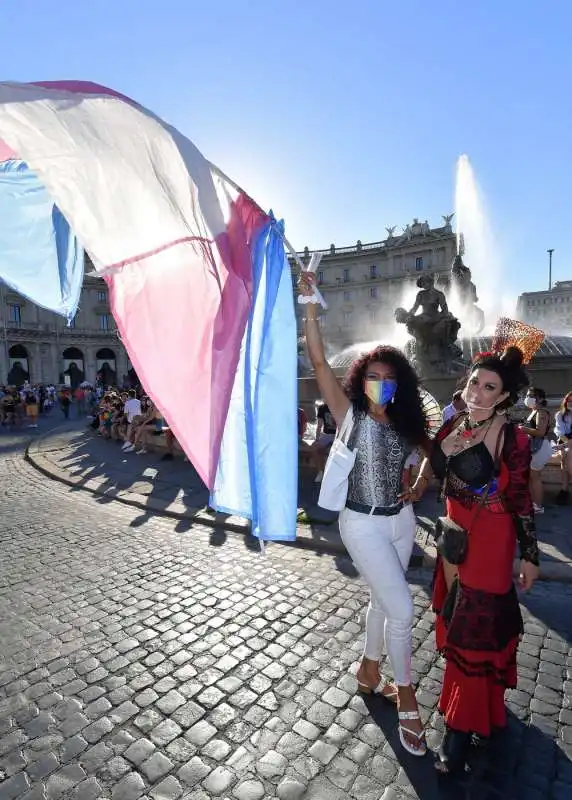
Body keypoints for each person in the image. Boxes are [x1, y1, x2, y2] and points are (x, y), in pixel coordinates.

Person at [299, 271, 430, 757]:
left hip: (400, 521)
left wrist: (417, 483)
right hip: (361, 522)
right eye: (373, 377)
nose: (381, 384)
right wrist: (310, 304)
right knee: (403, 608)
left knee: (382, 599)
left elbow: (424, 456)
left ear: (400, 384)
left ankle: (370, 669)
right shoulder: (348, 414)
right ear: (361, 381)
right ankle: (408, 698)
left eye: (389, 378)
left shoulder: (405, 420)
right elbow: (317, 359)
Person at [411, 346, 540, 774]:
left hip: (490, 542)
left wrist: (531, 556)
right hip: (453, 539)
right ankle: (482, 712)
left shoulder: (513, 438)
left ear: (504, 397)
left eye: (491, 388)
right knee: (455, 618)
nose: (479, 394)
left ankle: (457, 729)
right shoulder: (454, 422)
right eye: (474, 384)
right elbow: (438, 466)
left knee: (474, 633)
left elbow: (520, 499)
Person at [519, 386, 552, 513]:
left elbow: (540, 432)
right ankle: (534, 503)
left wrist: (523, 429)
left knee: (535, 477)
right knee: (532, 478)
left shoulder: (541, 412)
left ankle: (538, 506)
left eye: (532, 396)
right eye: (528, 395)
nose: (528, 398)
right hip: (535, 447)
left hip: (540, 447)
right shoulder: (534, 411)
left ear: (540, 399)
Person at [554, 391, 572, 505]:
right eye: (569, 400)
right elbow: (560, 432)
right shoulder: (560, 415)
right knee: (566, 453)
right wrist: (567, 443)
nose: (570, 403)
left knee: (567, 455)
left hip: (568, 444)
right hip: (564, 441)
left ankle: (564, 490)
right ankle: (564, 491)